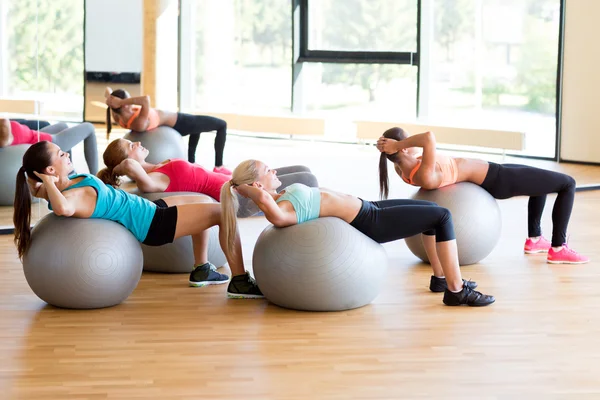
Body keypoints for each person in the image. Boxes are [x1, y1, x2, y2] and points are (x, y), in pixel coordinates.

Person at [219, 159, 496, 307]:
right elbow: (276, 216)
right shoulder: (279, 209)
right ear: (257, 184)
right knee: (442, 216)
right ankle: (455, 289)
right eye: (268, 170)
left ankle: (440, 279)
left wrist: (258, 188)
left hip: (368, 207)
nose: (275, 169)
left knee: (429, 212)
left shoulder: (281, 195)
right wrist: (252, 192)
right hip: (369, 221)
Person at [13, 141, 263, 298]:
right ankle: (240, 281)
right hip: (152, 224)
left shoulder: (67, 182)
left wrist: (43, 183)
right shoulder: (73, 196)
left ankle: (202, 269)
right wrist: (46, 182)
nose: (66, 154)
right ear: (50, 171)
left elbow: (41, 191)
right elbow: (63, 209)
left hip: (148, 209)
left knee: (203, 202)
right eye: (60, 154)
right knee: (222, 212)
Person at [376, 127, 589, 265]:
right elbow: (429, 137)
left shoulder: (401, 168)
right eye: (407, 142)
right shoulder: (424, 172)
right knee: (567, 184)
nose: (411, 143)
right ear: (401, 150)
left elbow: (408, 149)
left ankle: (535, 240)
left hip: (496, 171)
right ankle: (558, 247)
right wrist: (397, 145)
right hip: (498, 179)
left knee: (540, 181)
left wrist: (393, 147)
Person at [98, 137, 318, 217]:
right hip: (240, 198)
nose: (136, 142)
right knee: (308, 180)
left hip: (238, 182)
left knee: (304, 169)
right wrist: (120, 169)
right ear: (128, 161)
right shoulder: (154, 179)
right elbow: (129, 167)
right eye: (130, 146)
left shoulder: (159, 166)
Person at [105, 87, 229, 172]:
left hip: (177, 123)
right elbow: (145, 100)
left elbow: (107, 91)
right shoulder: (139, 122)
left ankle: (192, 163)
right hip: (179, 122)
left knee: (196, 129)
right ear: (125, 105)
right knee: (221, 125)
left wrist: (111, 98)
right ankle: (219, 166)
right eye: (129, 99)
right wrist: (122, 101)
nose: (132, 101)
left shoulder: (119, 118)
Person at [0, 118, 98, 175]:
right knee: (89, 127)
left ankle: (69, 174)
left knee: (62, 126)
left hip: (36, 135)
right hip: (46, 144)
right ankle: (97, 178)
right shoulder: (4, 134)